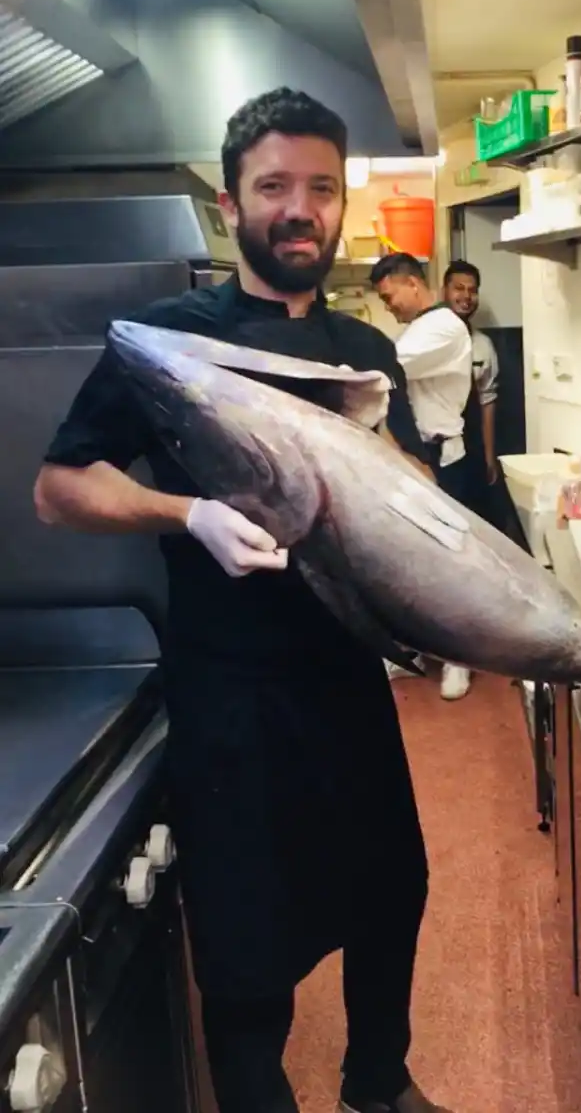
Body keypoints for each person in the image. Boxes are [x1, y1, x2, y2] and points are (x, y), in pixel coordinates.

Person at [33, 87, 451, 1113]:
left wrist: (406, 479)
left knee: (392, 889)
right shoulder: (167, 339)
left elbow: (408, 506)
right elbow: (60, 489)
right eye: (275, 188)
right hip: (232, 690)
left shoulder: (366, 352)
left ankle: (377, 1083)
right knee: (245, 939)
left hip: (348, 676)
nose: (299, 209)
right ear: (232, 206)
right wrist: (189, 516)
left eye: (319, 188)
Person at [370, 253, 474, 702]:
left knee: (450, 562)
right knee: (410, 559)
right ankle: (412, 646)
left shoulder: (444, 326)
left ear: (412, 283)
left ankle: (460, 657)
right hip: (412, 458)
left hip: (443, 460)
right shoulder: (416, 329)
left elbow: (386, 367)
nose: (389, 305)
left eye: (389, 296)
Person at [442, 261, 499, 488]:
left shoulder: (484, 345)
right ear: (444, 291)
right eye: (459, 288)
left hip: (472, 448)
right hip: (437, 451)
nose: (466, 296)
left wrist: (489, 456)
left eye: (472, 290)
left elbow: (488, 402)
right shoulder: (427, 339)